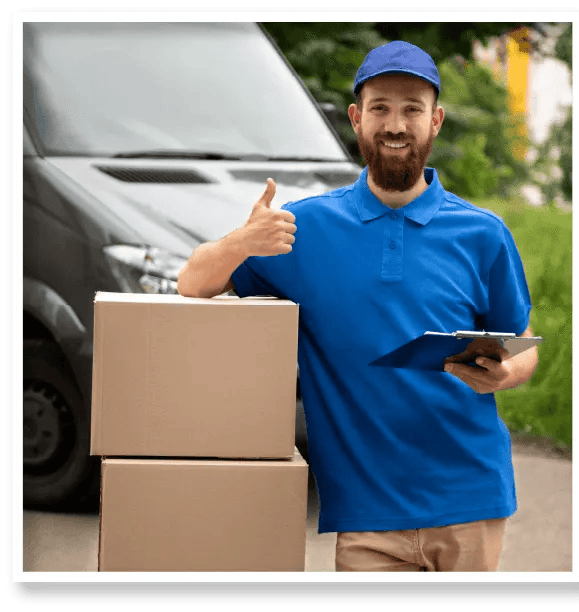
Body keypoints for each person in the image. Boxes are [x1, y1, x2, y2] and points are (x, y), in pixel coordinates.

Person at [177, 40, 539, 572]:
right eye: (381, 108)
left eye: (412, 109)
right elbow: (192, 283)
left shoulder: (483, 233)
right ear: (356, 119)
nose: (396, 124)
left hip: (470, 499)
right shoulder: (304, 229)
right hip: (366, 516)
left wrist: (504, 373)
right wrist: (241, 242)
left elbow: (522, 344)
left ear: (435, 121)